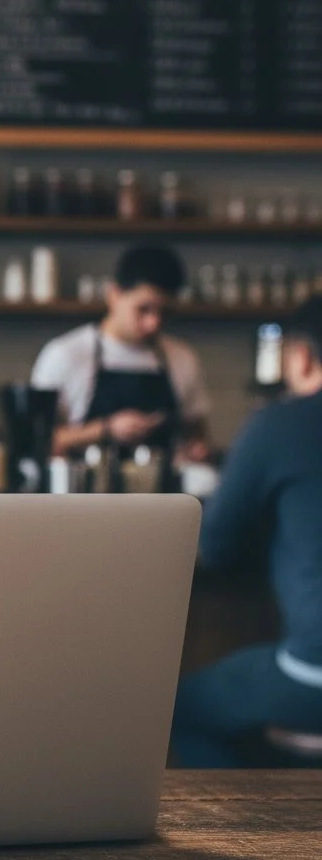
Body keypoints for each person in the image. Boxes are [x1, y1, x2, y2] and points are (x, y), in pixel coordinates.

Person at [171, 295, 322, 767]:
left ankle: (253, 832)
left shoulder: (279, 423)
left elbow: (216, 544)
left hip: (312, 674)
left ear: (300, 356)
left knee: (175, 710)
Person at [30, 243, 211, 463]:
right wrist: (106, 429)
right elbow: (37, 442)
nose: (154, 323)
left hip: (164, 496)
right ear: (113, 295)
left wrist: (197, 449)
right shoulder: (64, 355)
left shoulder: (182, 357)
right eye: (143, 309)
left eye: (165, 312)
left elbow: (196, 432)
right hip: (84, 494)